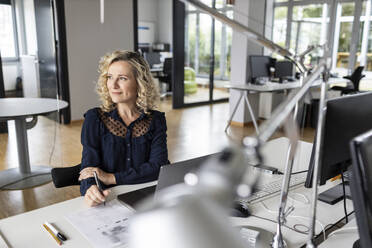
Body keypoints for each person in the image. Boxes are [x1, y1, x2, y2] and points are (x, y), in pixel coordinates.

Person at [78, 50, 168, 207]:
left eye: (122, 78)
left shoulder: (156, 120)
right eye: (110, 77)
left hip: (146, 199)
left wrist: (112, 178)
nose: (113, 85)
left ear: (139, 83)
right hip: (109, 201)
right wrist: (90, 188)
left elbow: (158, 167)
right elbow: (89, 168)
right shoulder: (94, 118)